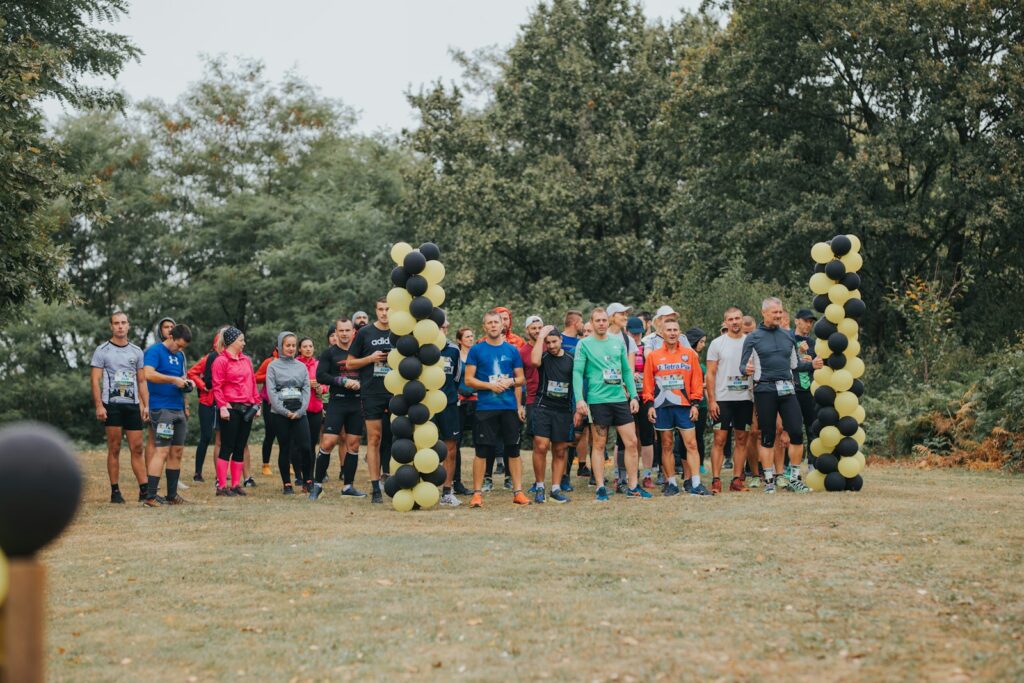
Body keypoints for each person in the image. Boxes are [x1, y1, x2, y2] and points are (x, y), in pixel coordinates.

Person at [739, 298, 822, 493]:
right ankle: (769, 481)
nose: (778, 315)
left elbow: (795, 365)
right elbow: (742, 366)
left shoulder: (788, 336)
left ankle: (794, 478)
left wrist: (812, 365)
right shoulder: (753, 337)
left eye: (780, 312)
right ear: (764, 313)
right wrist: (747, 368)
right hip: (764, 391)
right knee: (767, 436)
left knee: (796, 432)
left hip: (787, 389)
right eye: (774, 312)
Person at [572, 308, 650, 501]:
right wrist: (579, 400)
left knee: (631, 442)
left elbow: (625, 370)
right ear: (591, 322)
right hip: (598, 400)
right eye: (597, 320)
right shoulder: (584, 344)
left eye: (604, 320)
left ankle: (632, 486)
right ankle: (600, 487)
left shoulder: (617, 342)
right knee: (598, 444)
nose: (601, 323)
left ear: (608, 322)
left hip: (619, 399)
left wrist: (633, 396)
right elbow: (576, 373)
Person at [464, 310, 531, 508]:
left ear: (503, 325)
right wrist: (490, 386)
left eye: (496, 322)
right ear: (484, 327)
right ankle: (477, 494)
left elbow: (521, 379)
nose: (493, 325)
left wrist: (510, 381)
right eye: (489, 323)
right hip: (485, 407)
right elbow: (468, 380)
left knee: (513, 449)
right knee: (482, 451)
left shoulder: (512, 350)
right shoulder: (477, 350)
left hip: (508, 407)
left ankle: (518, 492)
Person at [643, 320, 710, 496]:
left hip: (684, 406)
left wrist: (695, 403)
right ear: (662, 333)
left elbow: (696, 380)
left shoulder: (690, 354)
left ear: (680, 333)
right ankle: (671, 483)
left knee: (691, 444)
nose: (672, 333)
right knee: (666, 445)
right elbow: (648, 382)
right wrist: (649, 404)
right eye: (668, 330)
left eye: (675, 330)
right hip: (662, 406)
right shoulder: (653, 356)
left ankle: (696, 483)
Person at [91, 311, 149, 504]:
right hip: (112, 406)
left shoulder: (136, 351)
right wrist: (99, 405)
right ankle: (115, 492)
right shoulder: (102, 350)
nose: (120, 326)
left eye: (123, 323)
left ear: (129, 325)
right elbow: (95, 380)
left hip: (132, 406)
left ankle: (144, 490)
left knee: (138, 448)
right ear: (111, 326)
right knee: (114, 448)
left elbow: (141, 380)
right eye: (116, 323)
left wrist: (145, 405)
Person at [310, 318, 365, 500]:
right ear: (336, 332)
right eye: (340, 331)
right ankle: (317, 486)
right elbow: (321, 375)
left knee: (353, 445)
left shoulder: (361, 352)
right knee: (328, 442)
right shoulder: (329, 353)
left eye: (347, 330)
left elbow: (370, 373)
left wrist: (360, 384)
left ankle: (348, 487)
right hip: (337, 402)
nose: (344, 334)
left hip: (357, 404)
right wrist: (342, 381)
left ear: (353, 332)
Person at [346, 298, 392, 503]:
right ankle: (375, 488)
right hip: (372, 392)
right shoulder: (365, 333)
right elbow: (349, 363)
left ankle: (398, 481)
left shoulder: (402, 331)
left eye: (388, 309)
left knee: (401, 437)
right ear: (376, 311)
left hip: (397, 392)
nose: (384, 313)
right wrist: (371, 359)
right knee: (374, 439)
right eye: (381, 309)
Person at [141, 323, 193, 506]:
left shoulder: (179, 356)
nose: (179, 349)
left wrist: (186, 384)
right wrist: (173, 379)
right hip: (161, 409)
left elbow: (179, 378)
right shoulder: (154, 351)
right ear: (170, 336)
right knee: (162, 451)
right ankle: (150, 497)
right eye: (178, 345)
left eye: (182, 347)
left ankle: (172, 496)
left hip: (178, 407)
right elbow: (148, 374)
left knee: (177, 452)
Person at [706, 307, 755, 493]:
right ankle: (716, 479)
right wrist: (712, 400)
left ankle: (737, 480)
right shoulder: (717, 343)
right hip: (723, 399)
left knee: (742, 438)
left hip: (745, 398)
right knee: (720, 438)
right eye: (731, 319)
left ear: (743, 320)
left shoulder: (751, 342)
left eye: (737, 318)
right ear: (725, 322)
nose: (735, 322)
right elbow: (710, 374)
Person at [211, 327, 261, 497]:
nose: (244, 343)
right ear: (232, 341)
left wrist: (257, 403)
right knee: (227, 446)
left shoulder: (246, 360)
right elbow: (217, 386)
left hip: (247, 408)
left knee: (240, 446)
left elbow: (252, 382)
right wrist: (222, 406)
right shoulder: (220, 361)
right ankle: (222, 486)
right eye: (241, 340)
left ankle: (235, 484)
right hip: (230, 408)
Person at [529, 325, 576, 503]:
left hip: (563, 410)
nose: (551, 345)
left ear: (561, 340)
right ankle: (540, 486)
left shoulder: (572, 358)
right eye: (547, 342)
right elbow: (533, 362)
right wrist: (540, 336)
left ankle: (555, 489)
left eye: (554, 341)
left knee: (560, 450)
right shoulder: (543, 357)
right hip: (543, 407)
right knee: (540, 446)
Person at [266, 332, 312, 494]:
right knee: (285, 448)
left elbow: (306, 390)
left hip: (300, 413)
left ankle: (308, 480)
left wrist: (300, 411)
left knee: (306, 447)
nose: (291, 348)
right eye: (288, 345)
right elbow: (271, 393)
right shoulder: (272, 366)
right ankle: (287, 483)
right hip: (280, 414)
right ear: (280, 346)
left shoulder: (301, 366)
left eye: (293, 345)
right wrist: (285, 412)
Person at [187, 326, 227, 483]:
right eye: (221, 343)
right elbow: (191, 373)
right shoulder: (208, 358)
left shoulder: (228, 360)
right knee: (205, 437)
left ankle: (221, 472)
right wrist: (202, 385)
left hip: (222, 402)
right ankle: (198, 473)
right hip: (207, 402)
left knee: (221, 439)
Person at [624, 316, 656, 488]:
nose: (635, 337)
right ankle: (622, 474)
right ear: (626, 331)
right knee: (625, 439)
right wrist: (628, 376)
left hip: (645, 396)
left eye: (639, 334)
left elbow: (653, 371)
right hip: (626, 397)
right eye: (632, 333)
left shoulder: (646, 349)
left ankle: (647, 474)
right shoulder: (620, 348)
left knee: (647, 436)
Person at [436, 319, 463, 506]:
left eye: (445, 327)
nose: (442, 330)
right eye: (439, 327)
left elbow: (457, 378)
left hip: (448, 404)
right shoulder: (420, 348)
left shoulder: (453, 350)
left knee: (450, 448)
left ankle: (447, 491)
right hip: (425, 406)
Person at [143, 316, 177, 471]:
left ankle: (171, 477)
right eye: (166, 327)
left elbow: (181, 378)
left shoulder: (178, 353)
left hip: (174, 403)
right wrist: (145, 404)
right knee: (153, 439)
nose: (170, 329)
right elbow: (144, 378)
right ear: (160, 330)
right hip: (156, 402)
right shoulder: (152, 351)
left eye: (172, 326)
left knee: (172, 441)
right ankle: (151, 475)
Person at [296, 336, 325, 484]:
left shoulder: (319, 364)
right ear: (299, 349)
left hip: (316, 409)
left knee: (312, 444)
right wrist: (306, 383)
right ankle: (298, 475)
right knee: (300, 444)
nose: (308, 349)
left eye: (310, 346)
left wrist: (319, 387)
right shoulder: (295, 364)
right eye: (305, 346)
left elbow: (325, 386)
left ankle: (310, 476)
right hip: (300, 410)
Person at [793, 308, 819, 469]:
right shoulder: (787, 339)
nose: (808, 325)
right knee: (793, 430)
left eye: (811, 322)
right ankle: (788, 468)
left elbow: (820, 365)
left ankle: (812, 465)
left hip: (810, 391)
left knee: (812, 428)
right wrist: (801, 356)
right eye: (805, 321)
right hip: (792, 390)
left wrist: (813, 363)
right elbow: (786, 365)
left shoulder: (815, 343)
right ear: (797, 321)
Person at [454, 327, 477, 496]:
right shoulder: (456, 357)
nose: (470, 339)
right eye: (467, 336)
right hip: (460, 403)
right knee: (456, 442)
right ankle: (456, 482)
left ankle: (484, 480)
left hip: (477, 403)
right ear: (459, 340)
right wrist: (462, 392)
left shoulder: (477, 355)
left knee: (482, 442)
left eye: (472, 336)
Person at [255, 346, 279, 478]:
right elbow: (255, 377)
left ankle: (290, 464)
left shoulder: (292, 361)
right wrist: (270, 374)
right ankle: (266, 465)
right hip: (269, 402)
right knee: (270, 433)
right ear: (277, 347)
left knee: (288, 435)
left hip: (286, 401)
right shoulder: (269, 361)